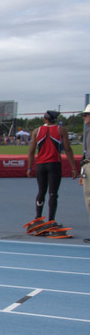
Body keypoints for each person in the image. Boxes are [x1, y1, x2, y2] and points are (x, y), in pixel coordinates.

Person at [26, 110, 76, 228]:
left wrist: (29, 167)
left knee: (41, 191)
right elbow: (67, 149)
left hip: (41, 165)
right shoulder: (61, 130)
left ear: (45, 119)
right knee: (53, 193)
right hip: (54, 164)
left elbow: (32, 150)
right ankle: (51, 220)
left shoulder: (36, 131)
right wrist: (73, 167)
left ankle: (38, 218)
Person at [78, 103, 90, 243]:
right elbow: (85, 155)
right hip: (88, 166)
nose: (84, 117)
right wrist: (82, 173)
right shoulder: (87, 132)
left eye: (86, 115)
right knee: (88, 199)